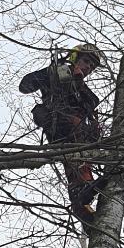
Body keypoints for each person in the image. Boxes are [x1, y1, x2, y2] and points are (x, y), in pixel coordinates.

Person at [19, 43, 105, 226]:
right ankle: (82, 188)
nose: (88, 67)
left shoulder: (86, 92)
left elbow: (92, 106)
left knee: (79, 159)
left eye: (92, 66)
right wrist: (50, 73)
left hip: (78, 136)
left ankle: (83, 209)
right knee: (76, 137)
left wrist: (79, 84)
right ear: (74, 57)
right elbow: (25, 86)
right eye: (86, 61)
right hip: (58, 124)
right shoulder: (56, 72)